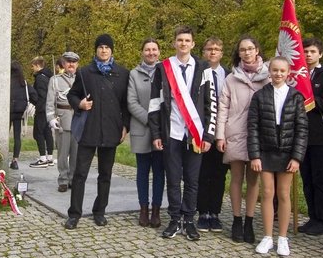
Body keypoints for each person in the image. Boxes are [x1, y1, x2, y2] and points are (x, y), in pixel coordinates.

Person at [148, 26, 217, 241]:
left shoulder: (203, 67)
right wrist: (156, 133)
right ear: (174, 43)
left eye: (187, 40)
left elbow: (211, 103)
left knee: (192, 180)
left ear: (193, 44)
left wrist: (208, 136)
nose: (183, 44)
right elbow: (154, 103)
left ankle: (189, 219)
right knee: (174, 178)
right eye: (180, 40)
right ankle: (175, 219)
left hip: (195, 134)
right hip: (172, 132)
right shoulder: (163, 68)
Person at [64, 34, 130, 229]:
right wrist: (80, 104)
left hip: (111, 129)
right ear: (96, 50)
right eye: (100, 47)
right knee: (80, 174)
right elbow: (72, 94)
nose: (104, 50)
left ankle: (99, 211)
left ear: (112, 50)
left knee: (105, 174)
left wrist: (125, 125)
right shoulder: (85, 72)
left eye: (107, 47)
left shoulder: (122, 73)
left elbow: (126, 103)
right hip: (89, 130)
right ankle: (74, 214)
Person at [248, 56, 309, 256]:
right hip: (266, 151)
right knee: (267, 193)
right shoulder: (259, 96)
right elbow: (253, 127)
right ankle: (267, 236)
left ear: (288, 73)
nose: (278, 74)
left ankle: (282, 238)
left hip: (287, 152)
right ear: (269, 71)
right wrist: (255, 156)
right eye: (274, 70)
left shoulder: (296, 97)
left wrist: (297, 157)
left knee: (283, 194)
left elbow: (302, 130)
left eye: (282, 71)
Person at [215, 36, 270, 243]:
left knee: (254, 179)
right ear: (238, 53)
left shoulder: (268, 76)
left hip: (259, 135)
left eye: (250, 49)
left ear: (257, 50)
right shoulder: (231, 78)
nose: (247, 53)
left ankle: (249, 219)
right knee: (237, 178)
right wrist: (220, 135)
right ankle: (237, 219)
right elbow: (223, 108)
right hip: (235, 132)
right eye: (242, 50)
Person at [298, 38, 323, 235]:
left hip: (319, 136)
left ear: (320, 54)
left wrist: (307, 94)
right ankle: (312, 217)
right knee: (306, 179)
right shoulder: (297, 75)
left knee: (320, 179)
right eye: (305, 51)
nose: (308, 55)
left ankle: (322, 219)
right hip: (301, 135)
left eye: (312, 51)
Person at [127, 38, 164, 228]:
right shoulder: (134, 74)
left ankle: (156, 210)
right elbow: (131, 102)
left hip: (162, 132)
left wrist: (159, 123)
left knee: (159, 172)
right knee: (142, 172)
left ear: (159, 51)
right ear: (142, 52)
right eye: (147, 50)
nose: (151, 53)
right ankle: (143, 209)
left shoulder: (166, 71)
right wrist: (151, 119)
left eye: (154, 49)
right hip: (142, 129)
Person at [196, 37, 229, 232]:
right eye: (209, 49)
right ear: (203, 52)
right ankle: (202, 212)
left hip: (222, 132)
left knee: (219, 174)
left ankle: (214, 212)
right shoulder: (198, 72)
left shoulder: (229, 75)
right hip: (201, 132)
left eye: (217, 49)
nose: (213, 52)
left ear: (222, 53)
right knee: (202, 173)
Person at [46, 51, 80, 192]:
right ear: (64, 64)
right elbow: (49, 102)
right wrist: (51, 118)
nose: (71, 64)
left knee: (76, 153)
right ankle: (63, 180)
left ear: (77, 64)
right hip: (62, 120)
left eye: (74, 62)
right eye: (68, 61)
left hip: (78, 120)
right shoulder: (55, 80)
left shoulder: (82, 79)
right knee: (62, 153)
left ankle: (73, 179)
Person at [9, 61, 35, 170]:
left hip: (8, 111)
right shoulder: (23, 83)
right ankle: (15, 160)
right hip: (19, 111)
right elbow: (34, 95)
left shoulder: (8, 82)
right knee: (17, 136)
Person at [30, 56, 55, 168]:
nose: (32, 68)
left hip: (42, 109)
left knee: (38, 133)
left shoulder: (40, 78)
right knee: (47, 133)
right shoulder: (48, 77)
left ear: (38, 66)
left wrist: (37, 106)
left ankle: (42, 158)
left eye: (33, 66)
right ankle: (49, 157)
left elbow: (41, 95)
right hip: (49, 109)